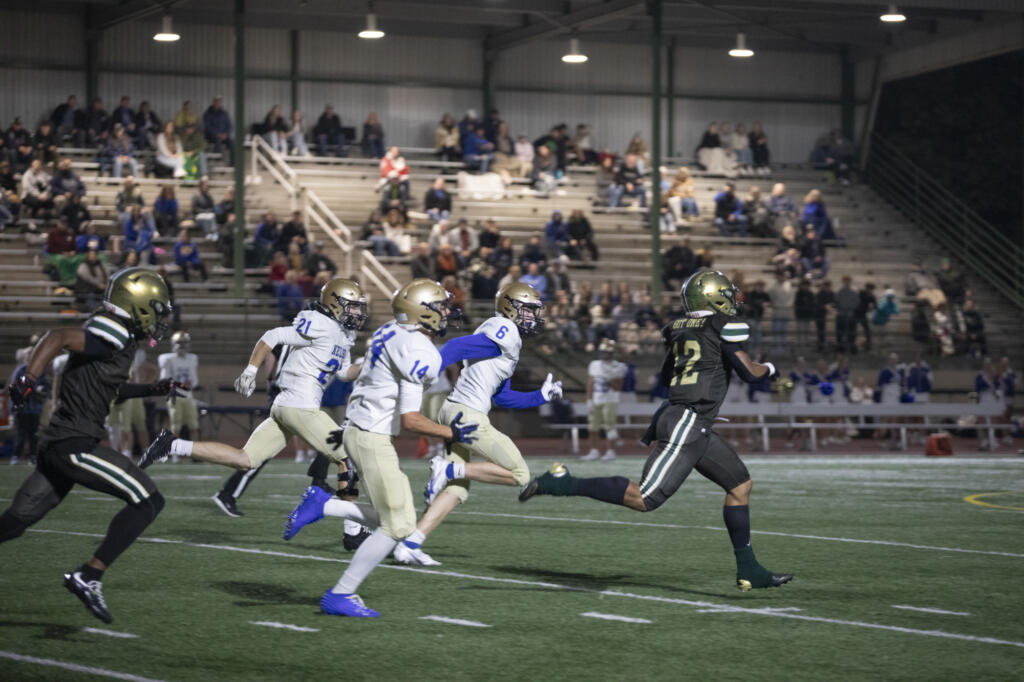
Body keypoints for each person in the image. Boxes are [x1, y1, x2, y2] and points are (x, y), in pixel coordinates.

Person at [521, 270, 791, 591]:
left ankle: (749, 570)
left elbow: (666, 378)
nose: (732, 299)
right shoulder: (720, 326)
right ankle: (563, 482)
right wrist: (771, 369)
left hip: (690, 419)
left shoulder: (678, 328)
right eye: (727, 293)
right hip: (688, 420)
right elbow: (749, 372)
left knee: (740, 486)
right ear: (714, 295)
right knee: (645, 498)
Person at [280, 279, 480, 617]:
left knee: (396, 518)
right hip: (371, 437)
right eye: (441, 307)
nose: (447, 312)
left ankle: (323, 505)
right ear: (422, 311)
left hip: (357, 429)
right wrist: (452, 432)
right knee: (399, 526)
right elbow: (413, 419)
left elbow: (358, 374)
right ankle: (341, 593)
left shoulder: (392, 328)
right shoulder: (420, 351)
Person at [0, 268, 177, 623]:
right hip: (74, 445)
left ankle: (89, 575)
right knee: (148, 500)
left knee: (15, 522)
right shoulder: (114, 329)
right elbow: (59, 336)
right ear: (138, 303)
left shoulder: (116, 335)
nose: (159, 319)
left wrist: (150, 390)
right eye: (155, 309)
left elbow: (106, 388)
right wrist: (29, 376)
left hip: (59, 444)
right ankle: (89, 575)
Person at [400, 283, 562, 565]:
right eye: (529, 310)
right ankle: (447, 467)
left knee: (457, 489)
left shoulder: (504, 337)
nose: (534, 317)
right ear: (511, 307)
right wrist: (427, 370)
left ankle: (411, 544)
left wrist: (540, 396)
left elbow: (504, 397)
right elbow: (454, 346)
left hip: (455, 410)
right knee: (520, 474)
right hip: (468, 414)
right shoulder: (506, 329)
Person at [141, 279, 369, 478]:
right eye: (353, 307)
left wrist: (367, 365)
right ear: (335, 303)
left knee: (245, 459)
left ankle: (172, 444)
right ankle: (352, 526)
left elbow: (343, 372)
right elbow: (274, 335)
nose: (358, 313)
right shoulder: (319, 323)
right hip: (300, 404)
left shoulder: (343, 334)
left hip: (288, 406)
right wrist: (250, 371)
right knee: (348, 455)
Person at [581, 338, 628, 461]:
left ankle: (610, 451)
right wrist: (589, 399)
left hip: (610, 400)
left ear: (612, 353)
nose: (604, 354)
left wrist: (609, 377)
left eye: (606, 352)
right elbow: (590, 383)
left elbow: (618, 387)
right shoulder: (594, 364)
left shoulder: (619, 367)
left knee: (610, 427)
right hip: (596, 399)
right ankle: (594, 451)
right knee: (592, 427)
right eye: (602, 352)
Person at [158, 331, 201, 443]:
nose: (182, 346)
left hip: (188, 395)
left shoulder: (192, 359)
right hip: (174, 395)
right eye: (179, 343)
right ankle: (174, 452)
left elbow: (195, 379)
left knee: (194, 425)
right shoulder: (167, 359)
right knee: (176, 425)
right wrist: (179, 384)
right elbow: (164, 381)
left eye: (184, 343)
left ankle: (196, 452)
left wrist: (192, 383)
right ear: (173, 344)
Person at [8, 360, 51, 465]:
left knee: (33, 434)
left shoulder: (39, 371)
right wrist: (13, 408)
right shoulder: (21, 370)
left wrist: (42, 390)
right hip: (22, 407)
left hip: (35, 408)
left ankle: (33, 456)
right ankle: (16, 456)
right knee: (21, 434)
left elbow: (46, 388)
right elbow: (14, 388)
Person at [202, 96, 232, 164]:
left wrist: (226, 134)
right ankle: (218, 162)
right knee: (218, 140)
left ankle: (232, 163)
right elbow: (207, 127)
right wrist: (217, 134)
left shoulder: (224, 113)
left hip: (224, 136)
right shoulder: (207, 114)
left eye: (219, 101)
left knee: (232, 143)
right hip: (211, 136)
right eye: (216, 101)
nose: (218, 103)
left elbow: (229, 125)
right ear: (213, 102)